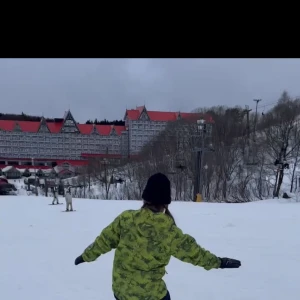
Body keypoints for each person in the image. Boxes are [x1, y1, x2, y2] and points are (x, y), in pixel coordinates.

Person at [74, 173, 241, 300]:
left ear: (146, 197)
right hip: (151, 295)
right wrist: (219, 262)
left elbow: (104, 240)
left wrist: (86, 256)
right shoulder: (168, 230)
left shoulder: (126, 218)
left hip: (121, 292)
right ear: (165, 202)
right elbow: (194, 253)